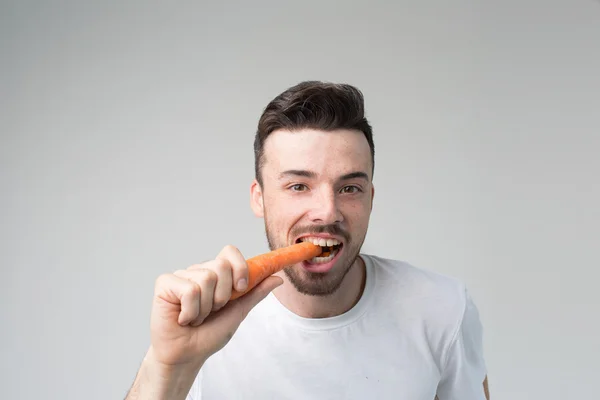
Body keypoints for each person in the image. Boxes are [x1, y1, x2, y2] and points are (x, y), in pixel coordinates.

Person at [124, 81, 490, 400]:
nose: (327, 212)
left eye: (349, 188)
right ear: (259, 197)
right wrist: (166, 366)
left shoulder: (443, 310)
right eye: (298, 186)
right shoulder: (203, 318)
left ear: (371, 198)